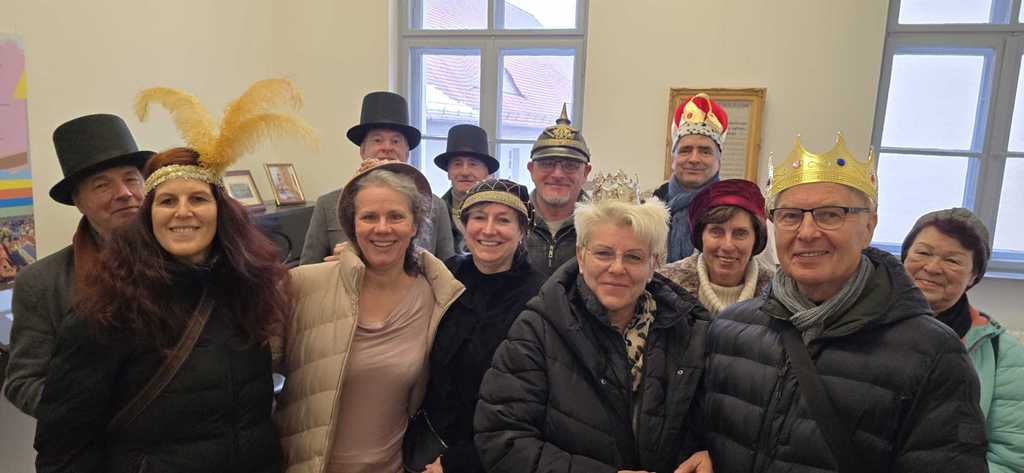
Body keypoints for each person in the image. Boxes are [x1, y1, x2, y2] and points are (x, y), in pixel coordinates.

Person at [34, 79, 313, 472]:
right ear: (149, 216)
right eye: (167, 201)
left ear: (221, 212)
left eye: (197, 198)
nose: (183, 212)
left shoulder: (248, 291)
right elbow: (65, 448)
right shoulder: (107, 311)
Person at [701, 135, 987, 472]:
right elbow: (697, 434)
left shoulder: (933, 355)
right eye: (790, 216)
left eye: (830, 215)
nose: (807, 232)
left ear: (869, 226)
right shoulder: (730, 330)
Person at [475, 171, 712, 473]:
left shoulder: (689, 329)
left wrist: (711, 452)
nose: (617, 268)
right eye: (603, 253)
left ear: (654, 263)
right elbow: (502, 440)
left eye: (634, 257)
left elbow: (715, 424)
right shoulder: (538, 329)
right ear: (581, 256)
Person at [276, 159, 464, 473]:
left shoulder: (437, 296)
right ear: (352, 226)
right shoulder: (303, 286)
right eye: (369, 217)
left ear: (415, 225)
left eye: (396, 216)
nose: (382, 228)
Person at [4, 113, 153, 416]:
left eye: (131, 179)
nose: (124, 193)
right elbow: (23, 381)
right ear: (79, 201)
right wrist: (94, 413)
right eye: (102, 185)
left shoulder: (187, 259)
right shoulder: (42, 282)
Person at [418, 178, 544, 473]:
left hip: (494, 454)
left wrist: (459, 462)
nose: (488, 230)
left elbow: (534, 400)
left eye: (503, 220)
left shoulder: (541, 297)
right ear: (464, 225)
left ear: (522, 231)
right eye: (478, 217)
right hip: (429, 441)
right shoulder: (444, 276)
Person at [902, 207, 1024, 473]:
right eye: (923, 253)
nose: (932, 268)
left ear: (973, 276)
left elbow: (1010, 458)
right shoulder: (862, 327)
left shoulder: (1002, 354)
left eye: (952, 260)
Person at [300, 91, 455, 264]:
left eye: (395, 141)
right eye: (377, 140)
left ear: (407, 153)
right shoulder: (327, 204)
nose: (387, 148)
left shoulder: (436, 207)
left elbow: (449, 269)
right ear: (362, 150)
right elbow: (308, 269)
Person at [658, 179, 773, 315]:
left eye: (740, 234)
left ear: (756, 239)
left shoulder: (777, 295)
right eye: (716, 232)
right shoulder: (663, 287)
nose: (727, 246)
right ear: (700, 235)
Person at [653, 93, 727, 263]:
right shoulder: (647, 205)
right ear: (673, 159)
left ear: (718, 161)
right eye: (685, 150)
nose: (694, 159)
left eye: (705, 151)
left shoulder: (737, 210)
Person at [524, 104, 592, 277]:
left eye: (570, 165)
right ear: (531, 170)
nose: (557, 174)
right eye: (547, 164)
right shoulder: (511, 220)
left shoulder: (602, 225)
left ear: (586, 172)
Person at [434, 124, 498, 253]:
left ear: (487, 172)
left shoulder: (502, 214)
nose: (465, 172)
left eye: (473, 164)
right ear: (448, 172)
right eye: (457, 164)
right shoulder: (433, 213)